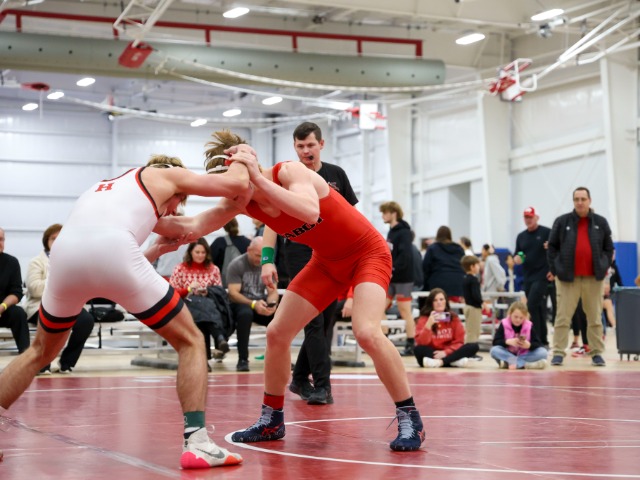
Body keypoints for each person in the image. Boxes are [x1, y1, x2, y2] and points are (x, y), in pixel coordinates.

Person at [165, 130, 424, 452]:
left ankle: (410, 416)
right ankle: (271, 419)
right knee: (277, 333)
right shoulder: (240, 199)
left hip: (367, 254)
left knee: (367, 332)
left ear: (249, 167)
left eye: (238, 183)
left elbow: (309, 211)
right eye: (229, 187)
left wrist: (257, 180)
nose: (236, 193)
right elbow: (195, 226)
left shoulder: (289, 172)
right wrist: (145, 215)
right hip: (326, 264)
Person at [0, 151, 255, 469]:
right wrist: (243, 157)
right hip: (113, 251)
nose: (173, 210)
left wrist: (157, 249)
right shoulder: (167, 174)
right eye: (178, 202)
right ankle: (198, 442)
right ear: (178, 187)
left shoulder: (105, 188)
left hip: (65, 256)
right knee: (191, 341)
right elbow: (235, 184)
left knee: (40, 350)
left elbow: (188, 227)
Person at [282, 121, 358, 405]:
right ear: (294, 147)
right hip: (299, 252)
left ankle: (300, 378)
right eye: (300, 146)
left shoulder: (336, 174)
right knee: (312, 320)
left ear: (321, 145)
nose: (306, 150)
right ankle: (323, 386)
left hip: (331, 253)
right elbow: (271, 221)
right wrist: (266, 260)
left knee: (325, 321)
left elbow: (351, 217)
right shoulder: (287, 176)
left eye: (310, 145)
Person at [547, 187, 613, 367]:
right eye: (576, 199)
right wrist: (556, 269)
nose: (580, 202)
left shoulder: (601, 222)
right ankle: (558, 352)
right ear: (573, 201)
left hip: (594, 278)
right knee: (562, 317)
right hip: (568, 279)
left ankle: (596, 352)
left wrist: (603, 265)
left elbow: (609, 248)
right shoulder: (562, 222)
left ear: (589, 200)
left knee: (595, 318)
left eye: (583, 199)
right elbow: (552, 247)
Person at [24, 224, 95, 374]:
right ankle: (42, 363)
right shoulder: (36, 262)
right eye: (53, 238)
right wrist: (58, 281)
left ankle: (67, 362)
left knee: (86, 321)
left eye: (61, 239)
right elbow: (34, 289)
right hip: (40, 306)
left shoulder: (74, 263)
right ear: (47, 241)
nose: (57, 242)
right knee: (51, 321)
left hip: (68, 306)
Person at [169, 238, 231, 365]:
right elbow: (172, 293)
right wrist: (188, 289)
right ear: (190, 252)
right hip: (187, 303)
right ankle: (219, 337)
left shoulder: (213, 269)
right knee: (201, 307)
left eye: (203, 252)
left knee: (203, 314)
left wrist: (208, 291)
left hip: (208, 305)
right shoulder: (180, 269)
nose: (200, 255)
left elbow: (219, 292)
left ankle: (204, 361)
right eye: (197, 252)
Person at [226, 236, 279, 372]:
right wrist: (253, 303)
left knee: (279, 317)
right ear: (248, 250)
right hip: (241, 303)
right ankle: (243, 359)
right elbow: (233, 293)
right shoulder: (237, 264)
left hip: (261, 302)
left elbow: (273, 292)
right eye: (257, 255)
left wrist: (272, 305)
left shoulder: (268, 266)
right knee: (245, 314)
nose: (260, 259)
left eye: (262, 256)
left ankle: (280, 358)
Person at [380, 201, 415, 357]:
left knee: (404, 311)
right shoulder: (391, 232)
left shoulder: (404, 232)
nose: (383, 216)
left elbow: (405, 256)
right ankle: (385, 341)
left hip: (403, 278)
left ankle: (411, 343)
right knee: (379, 307)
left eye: (385, 212)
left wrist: (393, 269)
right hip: (391, 277)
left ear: (393, 213)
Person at [513, 206, 552, 347]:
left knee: (531, 306)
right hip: (528, 277)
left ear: (537, 217)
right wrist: (517, 259)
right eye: (526, 217)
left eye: (530, 217)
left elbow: (557, 250)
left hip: (542, 276)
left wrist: (551, 248)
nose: (528, 220)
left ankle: (535, 340)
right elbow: (517, 255)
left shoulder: (547, 232)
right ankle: (543, 340)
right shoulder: (521, 236)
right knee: (539, 308)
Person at [414, 288, 480, 368]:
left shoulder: (453, 317)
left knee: (473, 346)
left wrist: (446, 352)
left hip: (449, 351)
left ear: (446, 301)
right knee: (418, 349)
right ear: (431, 303)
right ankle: (453, 361)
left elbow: (459, 341)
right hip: (433, 352)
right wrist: (428, 325)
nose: (439, 302)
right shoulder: (424, 319)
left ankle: (441, 362)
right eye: (435, 300)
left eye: (441, 299)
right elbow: (421, 342)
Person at [490, 301, 548, 369]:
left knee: (543, 352)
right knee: (494, 350)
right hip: (508, 354)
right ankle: (524, 364)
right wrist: (508, 341)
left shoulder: (529, 325)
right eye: (516, 317)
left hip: (524, 354)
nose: (518, 320)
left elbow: (538, 343)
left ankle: (509, 363)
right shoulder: (504, 324)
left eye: (521, 318)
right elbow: (495, 341)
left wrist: (529, 345)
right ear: (510, 314)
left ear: (525, 317)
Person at [0, 227, 30, 354]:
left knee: (19, 314)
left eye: (1, 239)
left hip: (3, 309)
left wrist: (2, 306)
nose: (0, 243)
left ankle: (26, 356)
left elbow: (16, 292)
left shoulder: (11, 262)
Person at [421, 226, 465, 302]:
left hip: (438, 283)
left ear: (437, 235)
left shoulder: (432, 248)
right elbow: (464, 266)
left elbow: (425, 267)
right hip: (458, 284)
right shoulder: (459, 249)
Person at [209, 217, 250, 287]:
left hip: (224, 284)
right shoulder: (248, 242)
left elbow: (209, 261)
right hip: (245, 284)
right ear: (237, 225)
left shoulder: (219, 242)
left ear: (224, 227)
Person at [461, 255, 483, 344]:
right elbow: (476, 295)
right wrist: (482, 302)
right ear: (472, 266)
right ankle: (471, 349)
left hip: (467, 306)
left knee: (470, 330)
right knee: (474, 331)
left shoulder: (465, 279)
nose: (479, 267)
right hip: (474, 308)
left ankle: (469, 347)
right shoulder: (474, 280)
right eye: (477, 265)